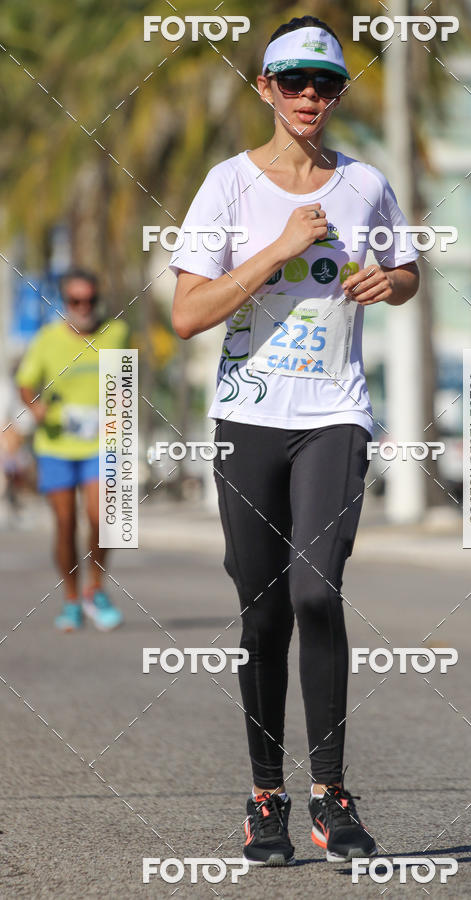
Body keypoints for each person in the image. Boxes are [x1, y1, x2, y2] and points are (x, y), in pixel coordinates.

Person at [171, 16, 419, 866]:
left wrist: (394, 282)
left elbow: (407, 270)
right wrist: (281, 247)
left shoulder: (366, 183)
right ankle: (265, 797)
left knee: (317, 592)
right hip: (248, 418)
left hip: (334, 413)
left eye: (328, 84)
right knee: (264, 609)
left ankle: (334, 793)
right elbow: (187, 314)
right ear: (266, 88)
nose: (312, 96)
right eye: (296, 82)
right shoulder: (228, 185)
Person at [16, 269, 128, 632]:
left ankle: (95, 590)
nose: (84, 307)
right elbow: (25, 382)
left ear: (98, 300)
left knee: (101, 518)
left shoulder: (118, 333)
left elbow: (126, 383)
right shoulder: (47, 339)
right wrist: (35, 408)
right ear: (65, 303)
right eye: (75, 301)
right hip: (56, 445)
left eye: (90, 300)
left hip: (103, 443)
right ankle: (70, 599)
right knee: (65, 524)